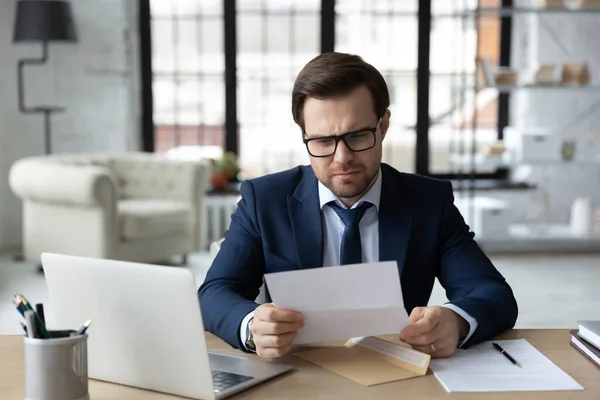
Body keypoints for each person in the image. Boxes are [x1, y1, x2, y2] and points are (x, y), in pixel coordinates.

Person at [198, 52, 518, 360]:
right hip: (296, 370)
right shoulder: (264, 199)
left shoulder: (428, 202)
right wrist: (252, 325)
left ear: (383, 125)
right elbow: (214, 292)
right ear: (304, 136)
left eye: (358, 135)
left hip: (397, 370)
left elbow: (493, 293)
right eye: (323, 141)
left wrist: (456, 321)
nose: (342, 158)